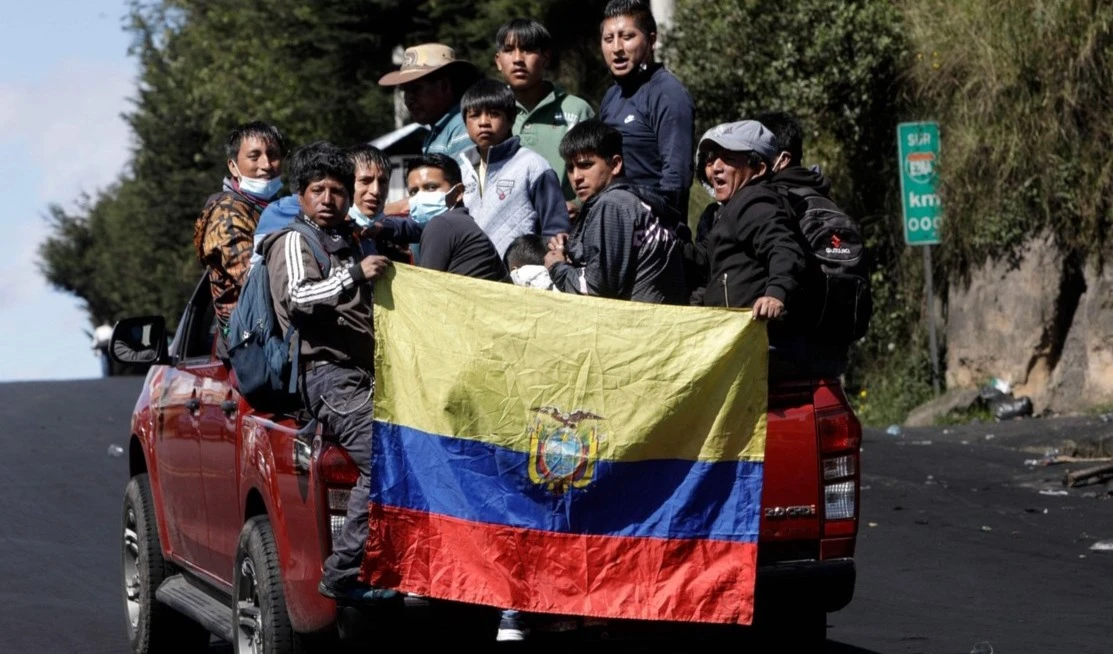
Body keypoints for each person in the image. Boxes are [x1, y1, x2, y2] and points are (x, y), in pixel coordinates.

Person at [258, 141, 395, 602]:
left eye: (338, 190)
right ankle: (344, 570)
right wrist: (356, 275)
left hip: (363, 374)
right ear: (301, 195)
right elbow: (299, 295)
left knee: (404, 452)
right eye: (318, 189)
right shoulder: (297, 240)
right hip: (327, 375)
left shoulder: (350, 239)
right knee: (384, 457)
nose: (328, 198)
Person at [686, 120, 811, 362]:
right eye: (712, 159)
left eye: (729, 158)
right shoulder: (728, 210)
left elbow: (784, 247)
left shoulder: (754, 201)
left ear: (759, 168)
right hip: (737, 341)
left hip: (758, 344)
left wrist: (776, 293)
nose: (716, 168)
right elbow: (703, 260)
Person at [544, 119, 685, 304]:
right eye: (570, 168)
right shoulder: (641, 201)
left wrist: (556, 266)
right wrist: (572, 247)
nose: (576, 177)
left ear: (615, 164)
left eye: (586, 165)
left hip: (634, 324)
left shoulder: (612, 204)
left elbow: (597, 288)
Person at [597, 0, 694, 223]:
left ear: (651, 40)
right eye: (608, 39)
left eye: (627, 37)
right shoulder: (611, 96)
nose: (617, 48)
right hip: (613, 225)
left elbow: (676, 179)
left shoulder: (668, 94)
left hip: (653, 234)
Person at [457, 78, 569, 257]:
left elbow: (555, 230)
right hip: (471, 277)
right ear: (465, 122)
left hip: (520, 278)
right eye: (475, 115)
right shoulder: (461, 172)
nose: (484, 122)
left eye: (493, 114)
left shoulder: (533, 166)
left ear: (511, 120)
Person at [494, 18, 596, 214]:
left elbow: (598, 171)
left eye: (528, 49)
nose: (518, 59)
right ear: (498, 61)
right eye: (509, 50)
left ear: (546, 57)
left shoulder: (577, 111)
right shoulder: (488, 114)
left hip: (563, 231)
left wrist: (577, 205)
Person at [194, 121, 285, 336]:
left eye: (272, 155)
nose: (266, 164)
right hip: (251, 341)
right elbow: (254, 280)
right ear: (233, 166)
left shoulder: (278, 207)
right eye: (254, 157)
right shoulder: (227, 215)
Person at [378, 43, 480, 219]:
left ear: (444, 87)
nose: (408, 100)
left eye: (416, 89)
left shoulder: (463, 129)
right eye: (405, 91)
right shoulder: (435, 133)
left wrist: (381, 214)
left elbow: (461, 194)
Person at [407, 154, 508, 282]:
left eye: (431, 187)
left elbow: (426, 289)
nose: (420, 196)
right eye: (414, 192)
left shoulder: (442, 224)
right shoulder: (461, 223)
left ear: (458, 192)